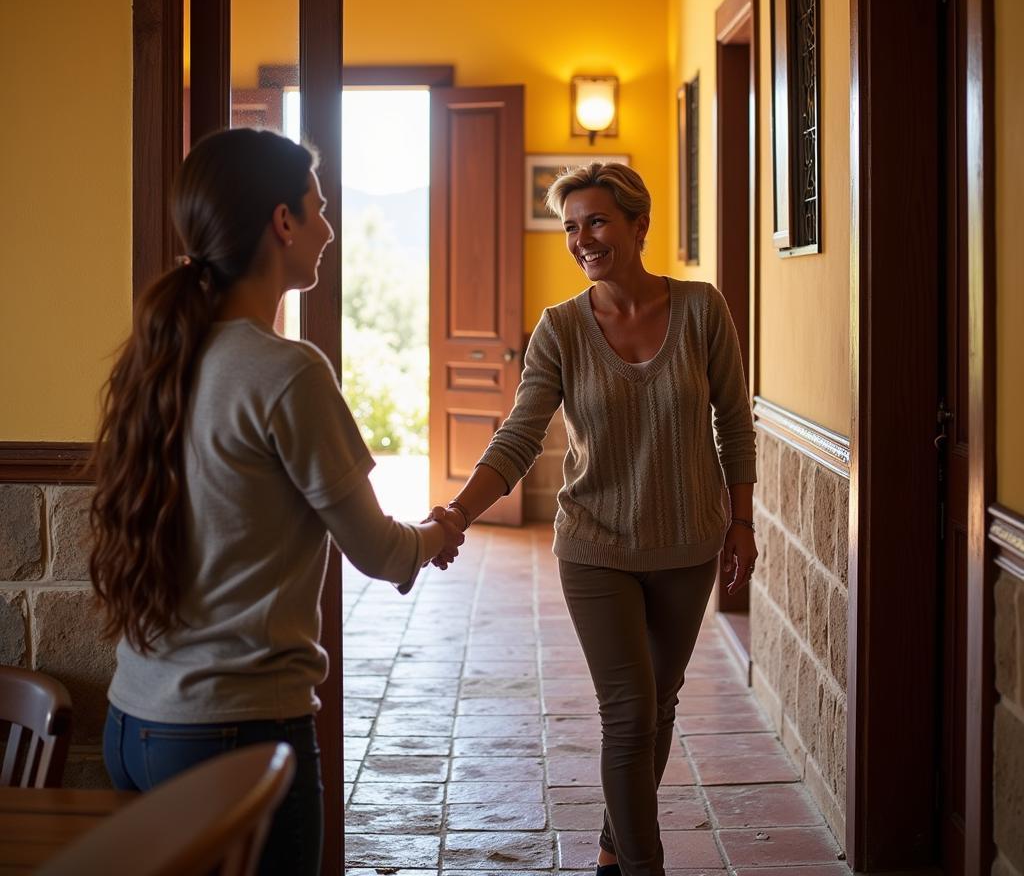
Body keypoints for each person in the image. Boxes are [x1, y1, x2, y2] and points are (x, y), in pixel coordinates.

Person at [88, 128, 464, 876]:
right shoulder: (286, 372)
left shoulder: (156, 356)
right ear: (281, 222)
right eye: (318, 209)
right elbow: (381, 551)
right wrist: (438, 530)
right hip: (232, 735)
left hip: (133, 725)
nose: (328, 230)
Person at [428, 162, 757, 876]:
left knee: (658, 706)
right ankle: (644, 866)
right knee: (628, 711)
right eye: (572, 227)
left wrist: (742, 521)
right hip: (596, 547)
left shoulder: (702, 310)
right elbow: (519, 437)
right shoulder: (561, 330)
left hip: (688, 543)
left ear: (640, 225)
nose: (583, 239)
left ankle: (613, 847)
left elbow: (734, 420)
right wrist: (457, 511)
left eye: (598, 221)